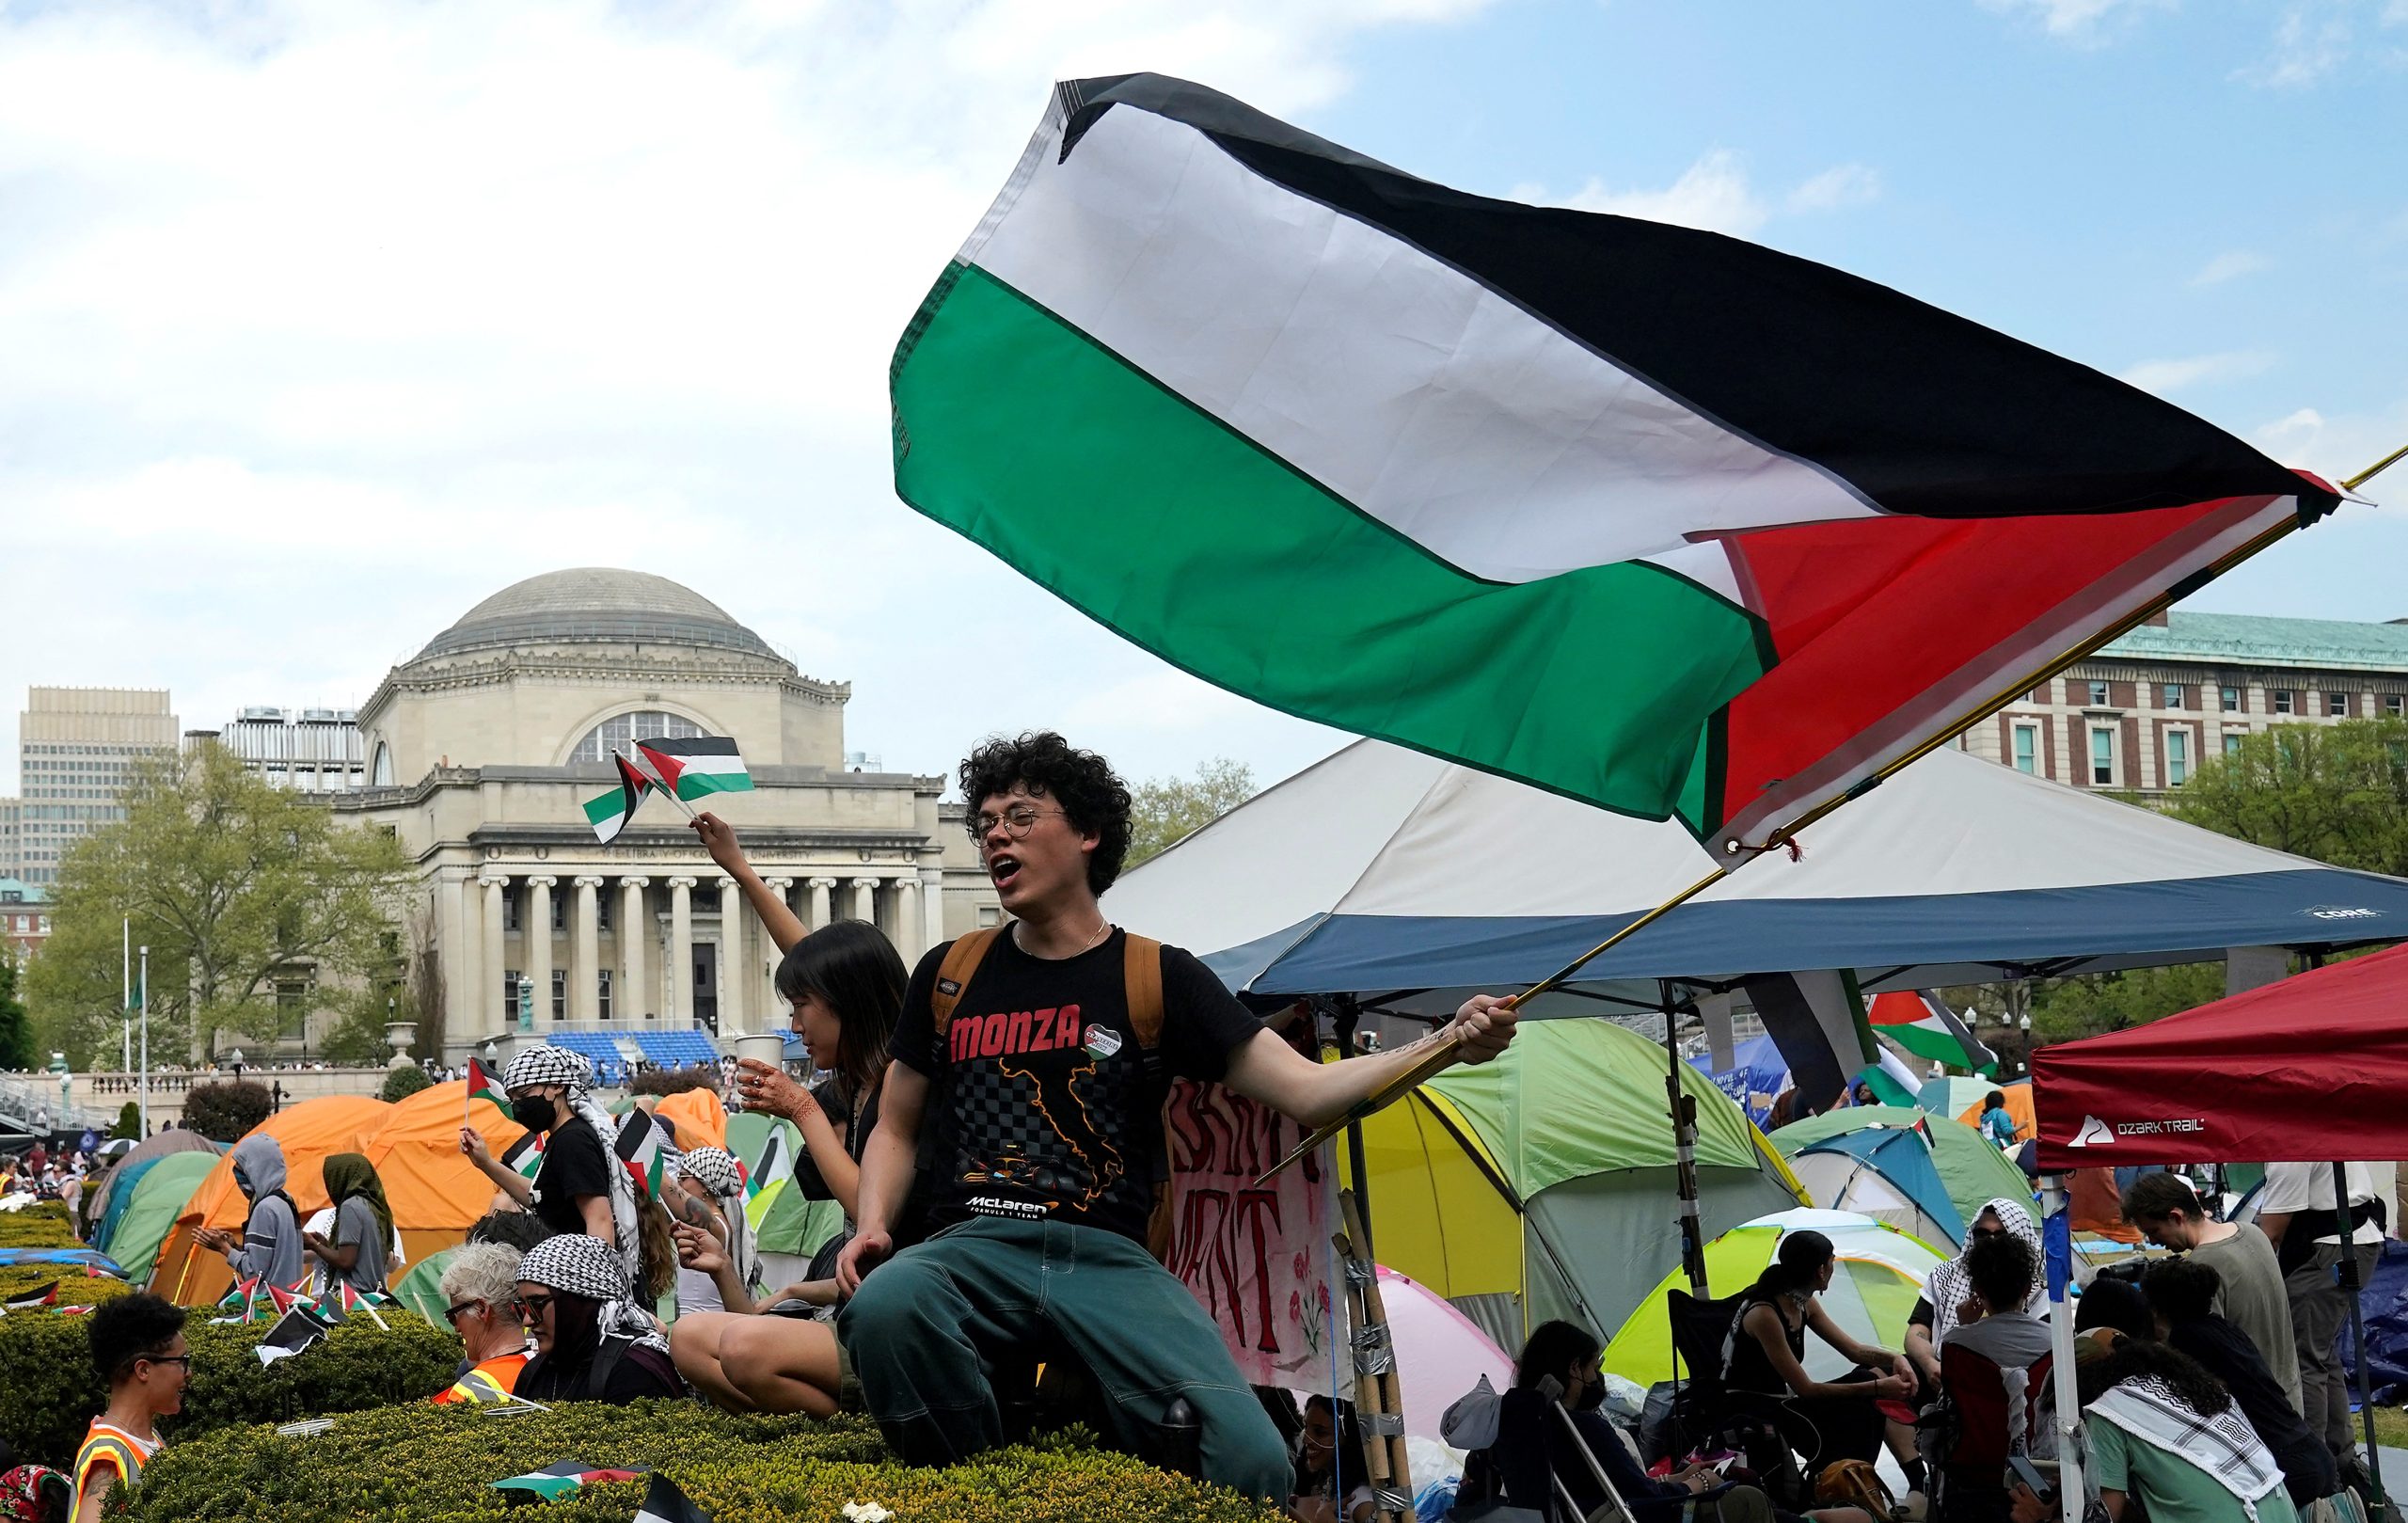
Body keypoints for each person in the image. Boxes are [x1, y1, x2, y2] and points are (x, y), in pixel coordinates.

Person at [834, 732, 1517, 1500]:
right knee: (886, 1306)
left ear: (1087, 833)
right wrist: (872, 1223)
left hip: (1107, 1259)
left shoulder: (1157, 974)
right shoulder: (950, 973)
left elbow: (1309, 1090)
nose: (996, 832)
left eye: (1021, 815)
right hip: (972, 1242)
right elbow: (894, 1125)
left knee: (1253, 1462)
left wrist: (1449, 1042)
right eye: (986, 819)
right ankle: (982, 1494)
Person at [1461, 1320, 1863, 1523]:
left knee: (1737, 1485)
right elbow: (1637, 1500)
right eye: (1594, 1367)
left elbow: (1620, 1485)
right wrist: (1697, 1482)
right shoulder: (1581, 1427)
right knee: (1745, 1492)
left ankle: (1812, 1520)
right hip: (1622, 1518)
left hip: (1594, 1511)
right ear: (1574, 1369)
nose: (1597, 1377)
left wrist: (1678, 1478)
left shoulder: (1507, 1430)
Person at [2012, 1329, 2298, 1523]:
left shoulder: (2109, 1410)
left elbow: (2105, 1516)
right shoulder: (2195, 1389)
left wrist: (2039, 1516)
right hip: (2282, 1510)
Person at [2143, 1258, 2335, 1510]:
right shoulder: (2223, 1328)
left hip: (2282, 1461)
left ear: (2158, 1308)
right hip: (2309, 1449)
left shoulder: (2187, 1337)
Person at [1726, 1230, 1917, 1475]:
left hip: (1785, 1401)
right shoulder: (1765, 1315)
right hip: (1756, 1409)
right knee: (1867, 1384)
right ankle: (1849, 1478)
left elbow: (1855, 1350)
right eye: (1832, 1263)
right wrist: (1879, 1387)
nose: (1833, 1269)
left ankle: (1878, 1477)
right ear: (1820, 1271)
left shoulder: (1804, 1304)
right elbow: (1806, 1389)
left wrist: (1897, 1358)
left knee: (1872, 1374)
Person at [2120, 1172, 2302, 1415]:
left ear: (2176, 1216)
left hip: (2253, 1409)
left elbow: (2200, 1361)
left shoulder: (2203, 1266)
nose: (2153, 1241)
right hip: (2288, 1395)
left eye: (2154, 1230)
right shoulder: (2251, 1232)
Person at [458, 1046, 635, 1283]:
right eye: (513, 1100)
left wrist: (594, 1288)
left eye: (525, 1094)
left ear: (558, 1086)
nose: (519, 1106)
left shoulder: (573, 1140)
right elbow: (539, 1198)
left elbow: (599, 1219)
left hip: (580, 1278)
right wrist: (486, 1163)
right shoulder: (562, 1137)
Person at [2258, 1161, 2385, 1461]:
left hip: (2335, 1247)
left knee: (2305, 1359)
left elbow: (2269, 1236)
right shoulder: (2310, 1127)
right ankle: (2338, 1455)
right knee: (2321, 1355)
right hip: (2351, 1242)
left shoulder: (2289, 1148)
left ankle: (2312, 1460)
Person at [512, 1234, 681, 1404]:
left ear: (579, 1301)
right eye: (523, 1307)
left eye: (536, 1305)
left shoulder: (634, 1369)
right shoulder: (535, 1371)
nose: (527, 1320)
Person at [74, 1293, 188, 1523]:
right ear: (143, 1370)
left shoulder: (147, 1437)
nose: (188, 1372)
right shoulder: (107, 1459)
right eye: (181, 1361)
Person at [188, 1134, 302, 1290]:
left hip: (270, 1306)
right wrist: (235, 1246)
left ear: (257, 1169)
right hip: (289, 1301)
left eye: (242, 1169)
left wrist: (224, 1248)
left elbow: (255, 1273)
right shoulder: (285, 1201)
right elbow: (271, 1258)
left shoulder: (265, 1209)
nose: (238, 1176)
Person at [432, 1241, 533, 1404]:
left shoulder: (473, 1390)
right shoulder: (543, 1368)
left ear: (481, 1309)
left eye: (453, 1316)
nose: (456, 1328)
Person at [667, 1146, 760, 1316]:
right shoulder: (723, 1220)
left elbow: (668, 1189)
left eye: (683, 1177)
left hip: (706, 1329)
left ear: (705, 1184)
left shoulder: (714, 1225)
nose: (678, 1184)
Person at [304, 1152, 393, 1298]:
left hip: (353, 1297)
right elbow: (360, 1254)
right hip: (372, 1295)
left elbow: (345, 1261)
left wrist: (314, 1245)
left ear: (341, 1177)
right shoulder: (373, 1207)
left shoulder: (350, 1207)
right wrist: (324, 1243)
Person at [1287, 1394, 1374, 1523]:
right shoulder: (1334, 1482)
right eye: (1306, 1427)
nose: (1306, 1439)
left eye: (1320, 1432)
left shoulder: (1360, 1498)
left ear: (1346, 1437)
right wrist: (1286, 1507)